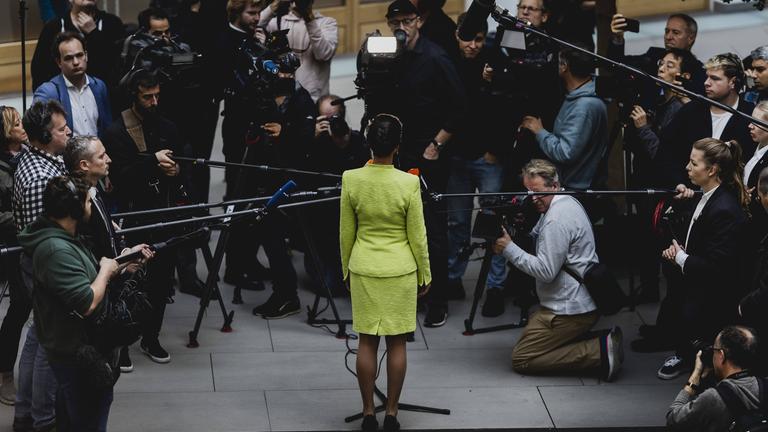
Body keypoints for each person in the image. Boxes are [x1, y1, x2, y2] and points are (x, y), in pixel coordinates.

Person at [17, 175, 153, 432]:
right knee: (90, 418)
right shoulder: (56, 249)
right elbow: (86, 302)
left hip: (80, 346)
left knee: (75, 416)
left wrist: (122, 266)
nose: (92, 206)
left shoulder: (66, 238)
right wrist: (105, 271)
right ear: (75, 208)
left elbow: (84, 277)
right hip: (76, 353)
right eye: (89, 202)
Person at [340, 114, 431, 432]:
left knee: (366, 342)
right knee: (397, 345)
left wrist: (345, 271)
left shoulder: (351, 179)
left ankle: (368, 413)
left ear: (369, 143)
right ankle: (391, 413)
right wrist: (425, 274)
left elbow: (345, 233)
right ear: (398, 146)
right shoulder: (408, 182)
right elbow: (417, 236)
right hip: (400, 269)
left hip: (364, 266)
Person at [493, 159, 624, 381]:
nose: (532, 199)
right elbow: (537, 236)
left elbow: (545, 271)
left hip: (570, 309)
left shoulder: (556, 219)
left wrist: (508, 249)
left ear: (554, 185)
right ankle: (591, 340)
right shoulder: (566, 201)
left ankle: (599, 351)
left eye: (537, 192)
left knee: (522, 357)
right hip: (576, 299)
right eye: (528, 192)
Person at [379, 0, 465, 327]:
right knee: (398, 227)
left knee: (431, 230)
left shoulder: (435, 58)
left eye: (407, 20)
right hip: (396, 154)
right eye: (395, 21)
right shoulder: (388, 57)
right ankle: (409, 292)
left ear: (419, 21)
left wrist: (436, 143)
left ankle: (438, 300)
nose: (401, 26)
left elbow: (460, 107)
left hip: (428, 156)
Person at [102, 70, 186, 367]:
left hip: (164, 214)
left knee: (161, 283)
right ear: (133, 96)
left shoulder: (167, 126)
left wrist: (177, 171)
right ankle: (123, 345)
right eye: (147, 96)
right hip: (133, 217)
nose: (154, 101)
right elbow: (120, 178)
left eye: (157, 95)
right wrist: (152, 162)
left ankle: (151, 338)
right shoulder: (116, 132)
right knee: (129, 282)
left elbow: (184, 163)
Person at [657, 138, 750, 380]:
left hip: (713, 301)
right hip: (696, 295)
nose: (687, 167)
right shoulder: (707, 197)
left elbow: (716, 267)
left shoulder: (724, 209)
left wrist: (680, 258)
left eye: (693, 163)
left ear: (712, 170)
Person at [12, 100, 71, 432]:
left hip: (43, 267)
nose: (69, 132)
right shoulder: (38, 178)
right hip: (46, 271)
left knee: (37, 337)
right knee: (52, 346)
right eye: (63, 130)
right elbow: (46, 243)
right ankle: (42, 420)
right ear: (45, 136)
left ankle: (25, 415)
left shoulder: (48, 158)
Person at [623, 48, 698, 306]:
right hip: (647, 182)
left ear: (682, 75)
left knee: (662, 243)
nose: (661, 69)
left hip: (668, 186)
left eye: (668, 65)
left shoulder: (679, 109)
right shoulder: (658, 101)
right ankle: (650, 291)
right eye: (660, 64)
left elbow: (663, 154)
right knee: (645, 241)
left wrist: (643, 129)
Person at [445, 13, 509, 313]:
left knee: (492, 222)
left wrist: (495, 149)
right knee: (457, 222)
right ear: (457, 35)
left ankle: (495, 287)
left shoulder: (496, 60)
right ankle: (453, 277)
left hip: (487, 157)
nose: (473, 45)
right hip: (458, 155)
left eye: (479, 39)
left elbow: (508, 107)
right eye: (467, 38)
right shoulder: (448, 62)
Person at [656, 53, 756, 189]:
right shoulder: (692, 110)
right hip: (689, 194)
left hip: (731, 198)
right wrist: (678, 183)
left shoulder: (749, 115)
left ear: (732, 82)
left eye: (715, 79)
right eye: (707, 77)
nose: (706, 83)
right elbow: (665, 150)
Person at [520, 45, 608, 191]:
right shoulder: (580, 97)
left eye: (558, 61)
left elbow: (565, 152)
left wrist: (539, 131)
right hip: (575, 183)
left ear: (564, 66)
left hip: (577, 187)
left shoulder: (584, 106)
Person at [666, 326, 761, 432]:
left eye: (714, 350)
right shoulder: (764, 385)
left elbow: (673, 420)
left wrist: (695, 376)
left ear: (721, 355)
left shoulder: (714, 398)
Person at [0, 106, 29, 406]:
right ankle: (4, 372)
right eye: (16, 123)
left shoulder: (26, 155)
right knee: (20, 306)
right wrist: (22, 216)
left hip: (29, 242)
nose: (22, 127)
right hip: (10, 245)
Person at [31, 0, 124, 92]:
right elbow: (39, 70)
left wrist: (94, 33)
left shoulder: (112, 23)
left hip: (103, 96)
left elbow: (116, 66)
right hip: (63, 98)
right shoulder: (54, 27)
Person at [609, 13, 705, 101]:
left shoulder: (699, 72)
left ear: (690, 38)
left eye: (675, 32)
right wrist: (618, 38)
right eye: (667, 31)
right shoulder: (654, 55)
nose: (668, 37)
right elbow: (616, 65)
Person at [33, 32, 112, 138]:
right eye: (68, 58)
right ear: (59, 62)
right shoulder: (48, 92)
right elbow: (36, 130)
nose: (76, 62)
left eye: (79, 55)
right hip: (66, 153)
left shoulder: (99, 86)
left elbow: (107, 127)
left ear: (86, 56)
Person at [260, 0, 338, 100]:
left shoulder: (327, 23)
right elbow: (251, 26)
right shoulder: (278, 23)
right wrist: (274, 5)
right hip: (284, 98)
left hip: (314, 98)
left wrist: (309, 17)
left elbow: (323, 54)